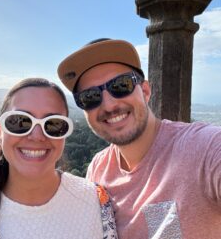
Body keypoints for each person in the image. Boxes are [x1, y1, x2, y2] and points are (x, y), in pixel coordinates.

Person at [57, 38, 221, 239]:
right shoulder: (98, 169)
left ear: (145, 91)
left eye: (121, 85)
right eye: (90, 97)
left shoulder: (205, 148)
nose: (108, 105)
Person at [0, 77, 118, 239]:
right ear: (0, 131)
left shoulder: (97, 202)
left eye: (53, 124)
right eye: (20, 122)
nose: (37, 136)